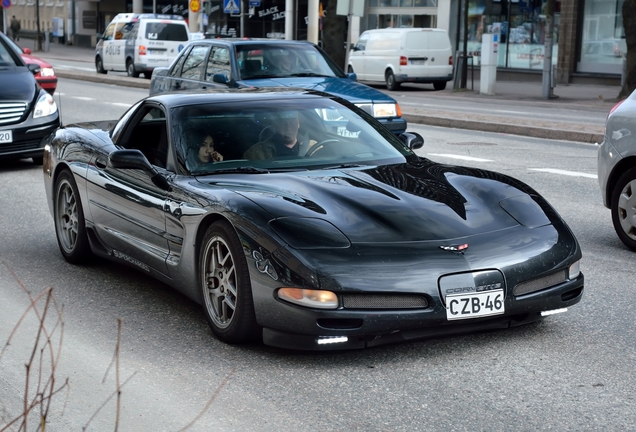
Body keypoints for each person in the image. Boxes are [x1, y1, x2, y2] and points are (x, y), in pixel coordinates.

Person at [243, 110, 315, 160]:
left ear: (298, 123)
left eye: (292, 122)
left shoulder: (313, 147)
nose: (288, 127)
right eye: (283, 123)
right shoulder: (256, 153)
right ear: (274, 125)